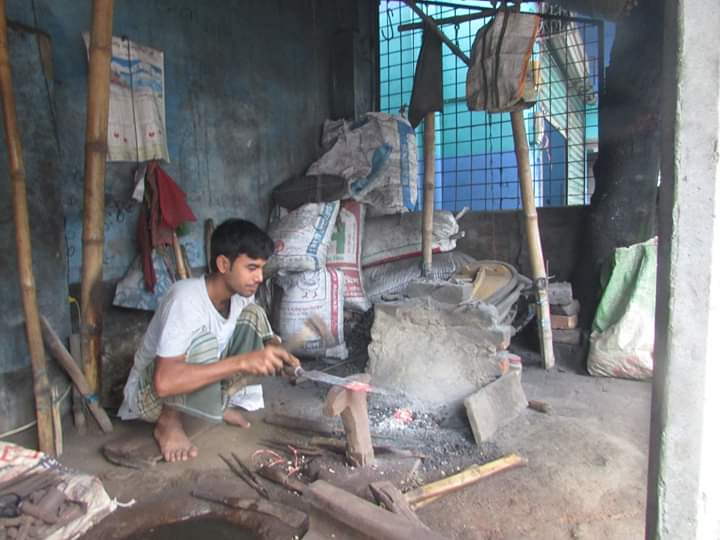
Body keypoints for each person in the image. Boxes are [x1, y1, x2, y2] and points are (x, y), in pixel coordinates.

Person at [118, 218, 299, 462]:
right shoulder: (186, 299)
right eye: (251, 268)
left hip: (184, 381)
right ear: (224, 264)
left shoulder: (241, 296)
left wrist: (277, 354)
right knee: (205, 342)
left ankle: (219, 404)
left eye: (261, 269)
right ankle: (168, 423)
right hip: (149, 397)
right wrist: (244, 361)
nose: (259, 277)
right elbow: (164, 382)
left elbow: (261, 334)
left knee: (253, 315)